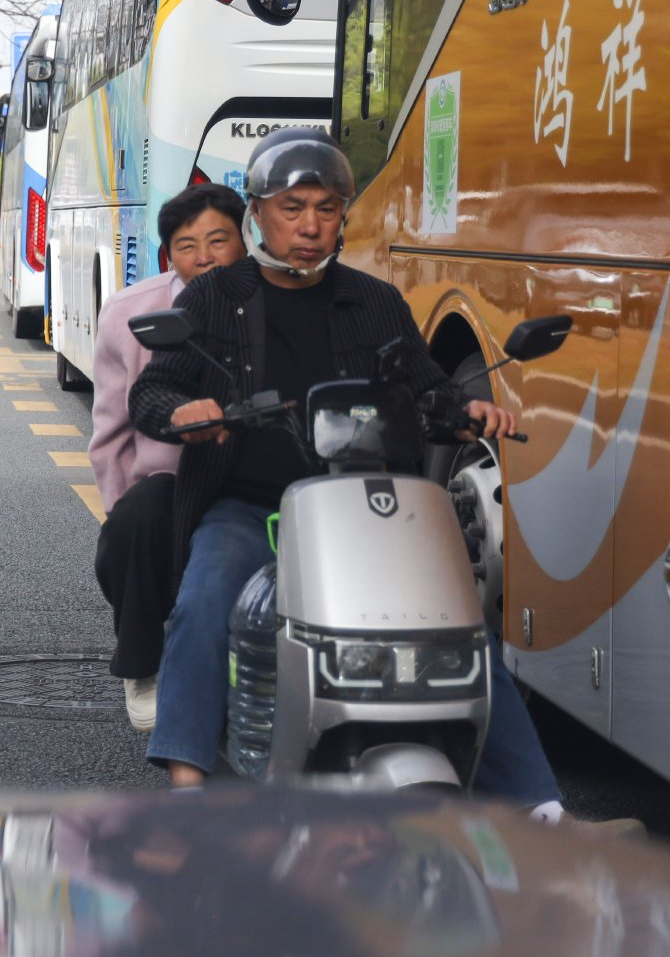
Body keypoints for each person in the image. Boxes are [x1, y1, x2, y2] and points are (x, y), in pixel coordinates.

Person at [127, 129, 635, 831]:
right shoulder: (215, 298)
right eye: (293, 206)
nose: (310, 226)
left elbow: (426, 392)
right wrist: (186, 412)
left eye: (328, 208)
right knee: (206, 601)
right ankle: (184, 796)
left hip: (363, 511)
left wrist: (469, 411)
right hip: (250, 509)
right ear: (259, 211)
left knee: (457, 626)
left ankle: (543, 810)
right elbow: (151, 394)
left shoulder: (376, 302)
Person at [89, 185, 247, 730]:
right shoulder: (131, 313)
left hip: (254, 479)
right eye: (186, 245)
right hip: (170, 487)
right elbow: (111, 431)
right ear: (167, 255)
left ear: (246, 239)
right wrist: (121, 516)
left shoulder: (273, 298)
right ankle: (143, 666)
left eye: (218, 240)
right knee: (135, 524)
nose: (203, 257)